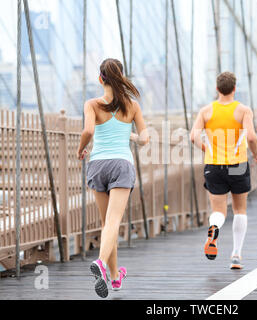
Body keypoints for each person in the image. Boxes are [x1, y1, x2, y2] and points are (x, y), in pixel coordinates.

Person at [77, 58, 149, 298]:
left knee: (107, 223)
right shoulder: (132, 106)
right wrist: (132, 137)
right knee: (113, 222)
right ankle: (100, 263)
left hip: (98, 164)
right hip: (121, 165)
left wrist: (80, 149)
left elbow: (88, 131)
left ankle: (115, 277)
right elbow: (145, 138)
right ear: (121, 77)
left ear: (100, 79)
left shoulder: (92, 104)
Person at [190, 72, 257, 270]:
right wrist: (256, 153)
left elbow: (193, 137)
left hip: (214, 166)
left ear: (217, 88)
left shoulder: (205, 111)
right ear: (235, 88)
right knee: (240, 210)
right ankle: (236, 255)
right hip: (237, 164)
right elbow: (252, 138)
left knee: (219, 211)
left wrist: (206, 149)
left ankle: (214, 229)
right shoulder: (243, 110)